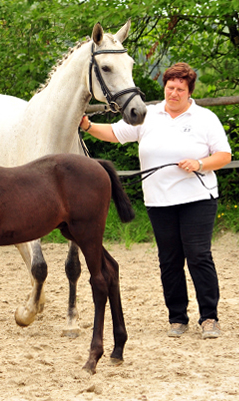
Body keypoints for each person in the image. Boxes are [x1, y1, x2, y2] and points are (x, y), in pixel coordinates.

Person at [80, 62, 231, 339]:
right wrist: (88, 126)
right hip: (159, 201)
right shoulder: (149, 115)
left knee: (198, 256)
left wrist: (199, 163)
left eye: (179, 89)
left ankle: (209, 317)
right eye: (170, 87)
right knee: (169, 260)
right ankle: (177, 317)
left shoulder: (205, 118)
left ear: (189, 92)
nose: (173, 93)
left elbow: (224, 155)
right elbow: (116, 133)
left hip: (197, 198)